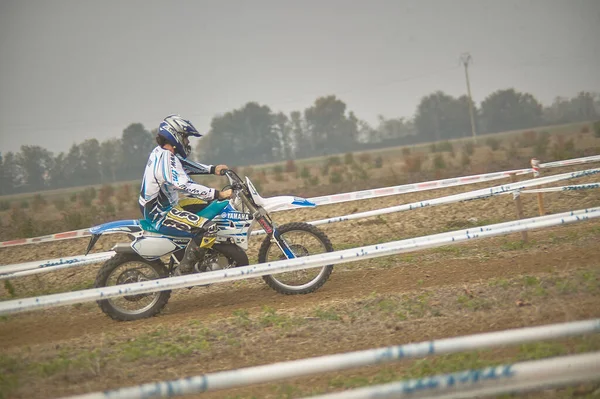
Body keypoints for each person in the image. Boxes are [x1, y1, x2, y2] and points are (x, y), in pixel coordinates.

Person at [138, 114, 232, 275]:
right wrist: (218, 194)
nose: (187, 142)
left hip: (164, 207)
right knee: (207, 229)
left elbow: (183, 165)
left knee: (209, 208)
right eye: (185, 137)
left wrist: (212, 169)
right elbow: (184, 184)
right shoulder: (166, 159)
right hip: (161, 214)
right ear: (175, 135)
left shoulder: (162, 153)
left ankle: (197, 254)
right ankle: (184, 271)